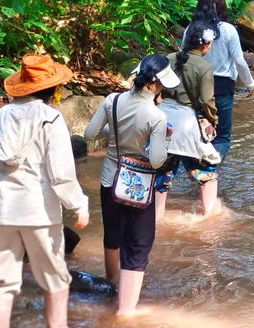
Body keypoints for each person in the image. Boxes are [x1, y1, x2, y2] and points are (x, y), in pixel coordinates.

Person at [0, 53, 89, 328]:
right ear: (53, 90)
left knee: (1, 285)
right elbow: (61, 174)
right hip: (41, 214)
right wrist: (79, 204)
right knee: (55, 282)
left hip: (3, 212)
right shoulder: (52, 119)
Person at [84, 54, 180, 316]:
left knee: (112, 234)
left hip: (109, 180)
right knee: (137, 245)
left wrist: (115, 129)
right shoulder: (156, 116)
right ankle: (126, 312)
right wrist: (165, 138)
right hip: (137, 187)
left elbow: (89, 135)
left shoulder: (112, 100)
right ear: (155, 84)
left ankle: (112, 286)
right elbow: (158, 160)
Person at [159, 22, 222, 217]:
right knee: (206, 174)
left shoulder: (168, 59)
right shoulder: (204, 66)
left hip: (162, 120)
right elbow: (207, 100)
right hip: (187, 123)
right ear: (205, 44)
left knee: (162, 176)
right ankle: (209, 218)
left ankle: (156, 220)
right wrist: (213, 121)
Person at [187, 0, 254, 163]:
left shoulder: (190, 30)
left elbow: (183, 60)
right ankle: (213, 171)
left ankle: (199, 172)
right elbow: (239, 61)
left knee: (199, 132)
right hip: (223, 86)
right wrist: (249, 84)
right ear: (222, 4)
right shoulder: (228, 30)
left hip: (195, 87)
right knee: (222, 137)